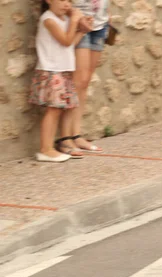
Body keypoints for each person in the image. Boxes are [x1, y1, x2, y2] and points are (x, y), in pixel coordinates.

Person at [29, 0, 86, 162]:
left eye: (69, 1)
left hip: (62, 71)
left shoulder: (65, 21)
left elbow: (69, 45)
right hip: (51, 71)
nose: (66, 4)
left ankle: (49, 148)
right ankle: (45, 149)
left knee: (58, 109)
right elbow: (66, 41)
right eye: (61, 0)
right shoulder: (48, 20)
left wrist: (81, 31)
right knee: (53, 110)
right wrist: (75, 20)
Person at [54, 0, 108, 154]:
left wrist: (107, 14)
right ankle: (65, 138)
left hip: (100, 24)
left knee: (84, 82)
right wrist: (75, 15)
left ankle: (76, 135)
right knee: (77, 82)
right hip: (79, 23)